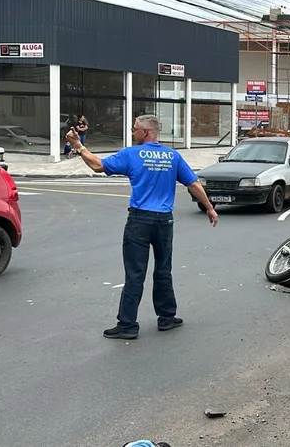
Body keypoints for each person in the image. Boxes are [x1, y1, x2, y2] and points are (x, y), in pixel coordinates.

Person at [65, 114, 218, 339]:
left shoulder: (132, 154)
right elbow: (193, 183)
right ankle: (166, 318)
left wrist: (78, 146)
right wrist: (209, 208)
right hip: (164, 221)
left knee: (135, 273)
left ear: (145, 132)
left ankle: (127, 325)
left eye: (135, 129)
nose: (133, 132)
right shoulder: (172, 156)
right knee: (163, 269)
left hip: (140, 220)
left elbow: (98, 166)